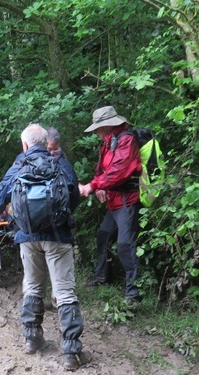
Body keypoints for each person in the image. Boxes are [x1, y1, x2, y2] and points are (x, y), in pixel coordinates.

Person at [0, 124, 88, 371]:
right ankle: (72, 353)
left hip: (27, 238)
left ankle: (32, 339)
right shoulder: (60, 164)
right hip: (58, 236)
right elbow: (74, 198)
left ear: (24, 145)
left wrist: (17, 217)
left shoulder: (18, 167)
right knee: (65, 292)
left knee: (33, 286)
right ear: (46, 143)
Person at [79, 106, 142, 302]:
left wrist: (92, 185)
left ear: (107, 126)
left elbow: (119, 171)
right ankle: (103, 276)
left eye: (98, 128)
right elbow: (101, 170)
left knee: (124, 245)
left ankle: (134, 292)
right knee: (103, 237)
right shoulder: (107, 142)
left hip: (127, 202)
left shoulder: (126, 140)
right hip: (113, 203)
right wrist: (99, 188)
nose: (96, 132)